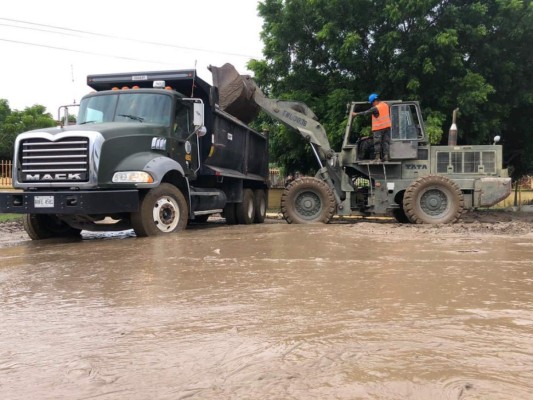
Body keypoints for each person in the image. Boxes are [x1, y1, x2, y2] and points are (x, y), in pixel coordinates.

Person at [352, 93, 391, 162]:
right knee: (385, 142)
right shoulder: (386, 105)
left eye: (372, 103)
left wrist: (356, 114)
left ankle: (377, 158)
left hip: (379, 128)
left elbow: (365, 113)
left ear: (374, 101)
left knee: (377, 143)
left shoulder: (375, 108)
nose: (372, 104)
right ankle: (386, 156)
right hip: (387, 127)